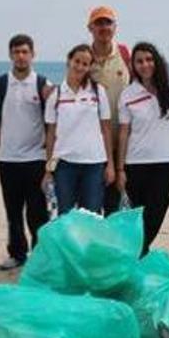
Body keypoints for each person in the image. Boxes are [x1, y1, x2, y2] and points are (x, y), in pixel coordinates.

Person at [0, 34, 52, 271]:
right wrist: (3, 143)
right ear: (10, 55)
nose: (21, 56)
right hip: (8, 160)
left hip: (36, 159)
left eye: (25, 52)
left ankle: (39, 254)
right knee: (13, 211)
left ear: (33, 54)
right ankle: (17, 254)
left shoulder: (43, 84)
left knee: (38, 212)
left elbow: (52, 121)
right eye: (16, 52)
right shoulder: (0, 84)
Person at [116, 42, 169, 255]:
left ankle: (137, 255)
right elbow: (124, 133)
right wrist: (120, 169)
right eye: (139, 61)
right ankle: (137, 257)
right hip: (136, 165)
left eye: (149, 59)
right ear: (133, 65)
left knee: (155, 216)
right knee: (136, 219)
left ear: (156, 61)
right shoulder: (128, 94)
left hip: (165, 163)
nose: (145, 65)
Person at [43, 44, 115, 215]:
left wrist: (110, 165)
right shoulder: (56, 94)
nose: (80, 66)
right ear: (69, 61)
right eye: (77, 61)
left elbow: (106, 129)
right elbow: (51, 134)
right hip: (64, 165)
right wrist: (48, 170)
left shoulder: (98, 92)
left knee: (91, 216)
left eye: (85, 63)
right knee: (65, 217)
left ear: (90, 67)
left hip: (94, 165)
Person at [86, 5, 132, 215]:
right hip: (93, 147)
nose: (103, 27)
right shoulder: (83, 59)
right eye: (99, 23)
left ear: (115, 27)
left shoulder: (125, 54)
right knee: (93, 207)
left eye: (108, 22)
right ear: (90, 28)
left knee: (117, 208)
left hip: (124, 144)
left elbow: (150, 82)